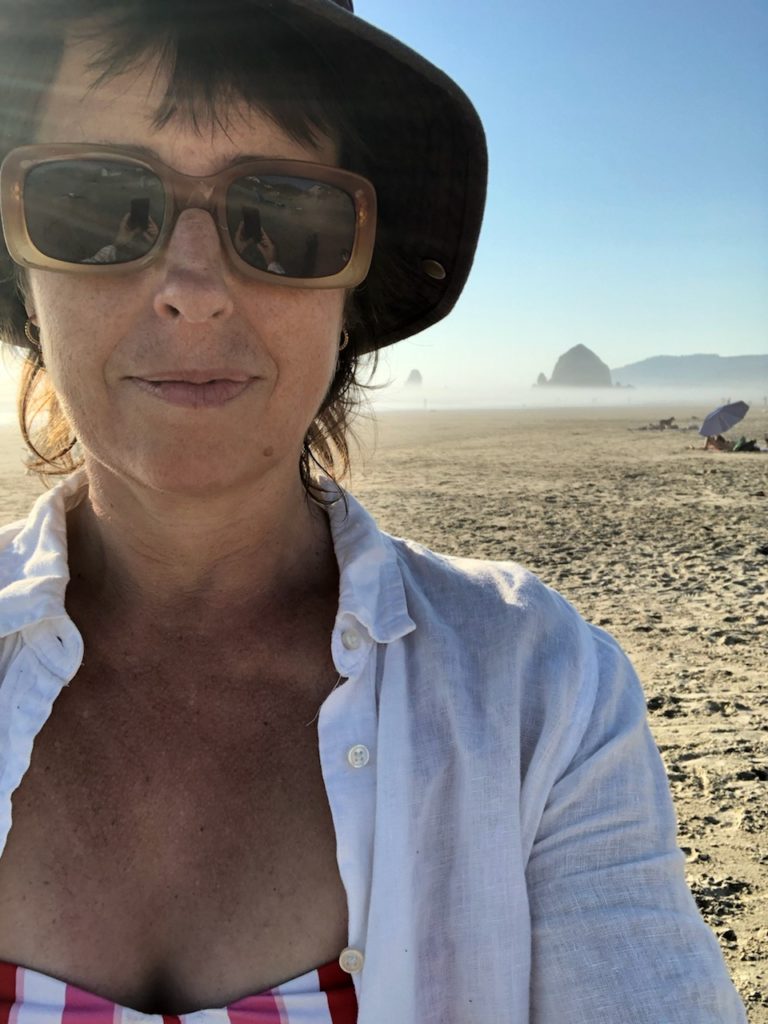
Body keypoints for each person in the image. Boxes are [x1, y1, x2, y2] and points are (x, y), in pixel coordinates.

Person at [0, 2, 748, 1022]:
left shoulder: (542, 698)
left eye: (285, 218)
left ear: (354, 281)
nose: (192, 287)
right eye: (94, 202)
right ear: (21, 260)